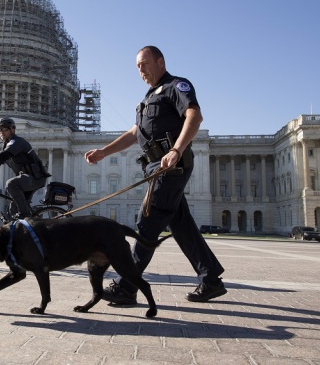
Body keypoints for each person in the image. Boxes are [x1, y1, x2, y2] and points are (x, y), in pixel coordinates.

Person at [84, 45, 227, 303]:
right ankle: (211, 279)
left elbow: (194, 116)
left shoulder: (176, 86)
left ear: (160, 62)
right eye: (138, 67)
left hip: (170, 165)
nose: (141, 70)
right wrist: (104, 152)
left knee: (147, 225)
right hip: (156, 166)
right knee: (182, 226)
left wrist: (176, 149)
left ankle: (127, 287)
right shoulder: (148, 99)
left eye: (145, 64)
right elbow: (133, 134)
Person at [0, 117, 50, 219]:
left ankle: (25, 214)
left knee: (11, 184)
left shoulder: (17, 142)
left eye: (4, 129)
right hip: (27, 179)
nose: (1, 132)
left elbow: (3, 156)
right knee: (13, 210)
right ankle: (25, 228)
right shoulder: (7, 145)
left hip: (35, 178)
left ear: (12, 130)